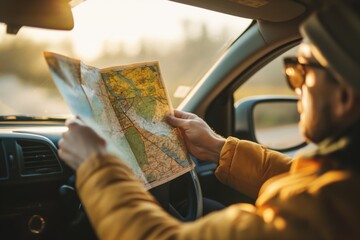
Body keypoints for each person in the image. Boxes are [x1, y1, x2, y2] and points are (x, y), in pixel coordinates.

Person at [58, 1, 360, 239]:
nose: (295, 87)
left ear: (344, 97)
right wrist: (218, 148)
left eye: (302, 72)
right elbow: (301, 176)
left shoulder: (323, 214)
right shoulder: (342, 189)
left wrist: (95, 164)